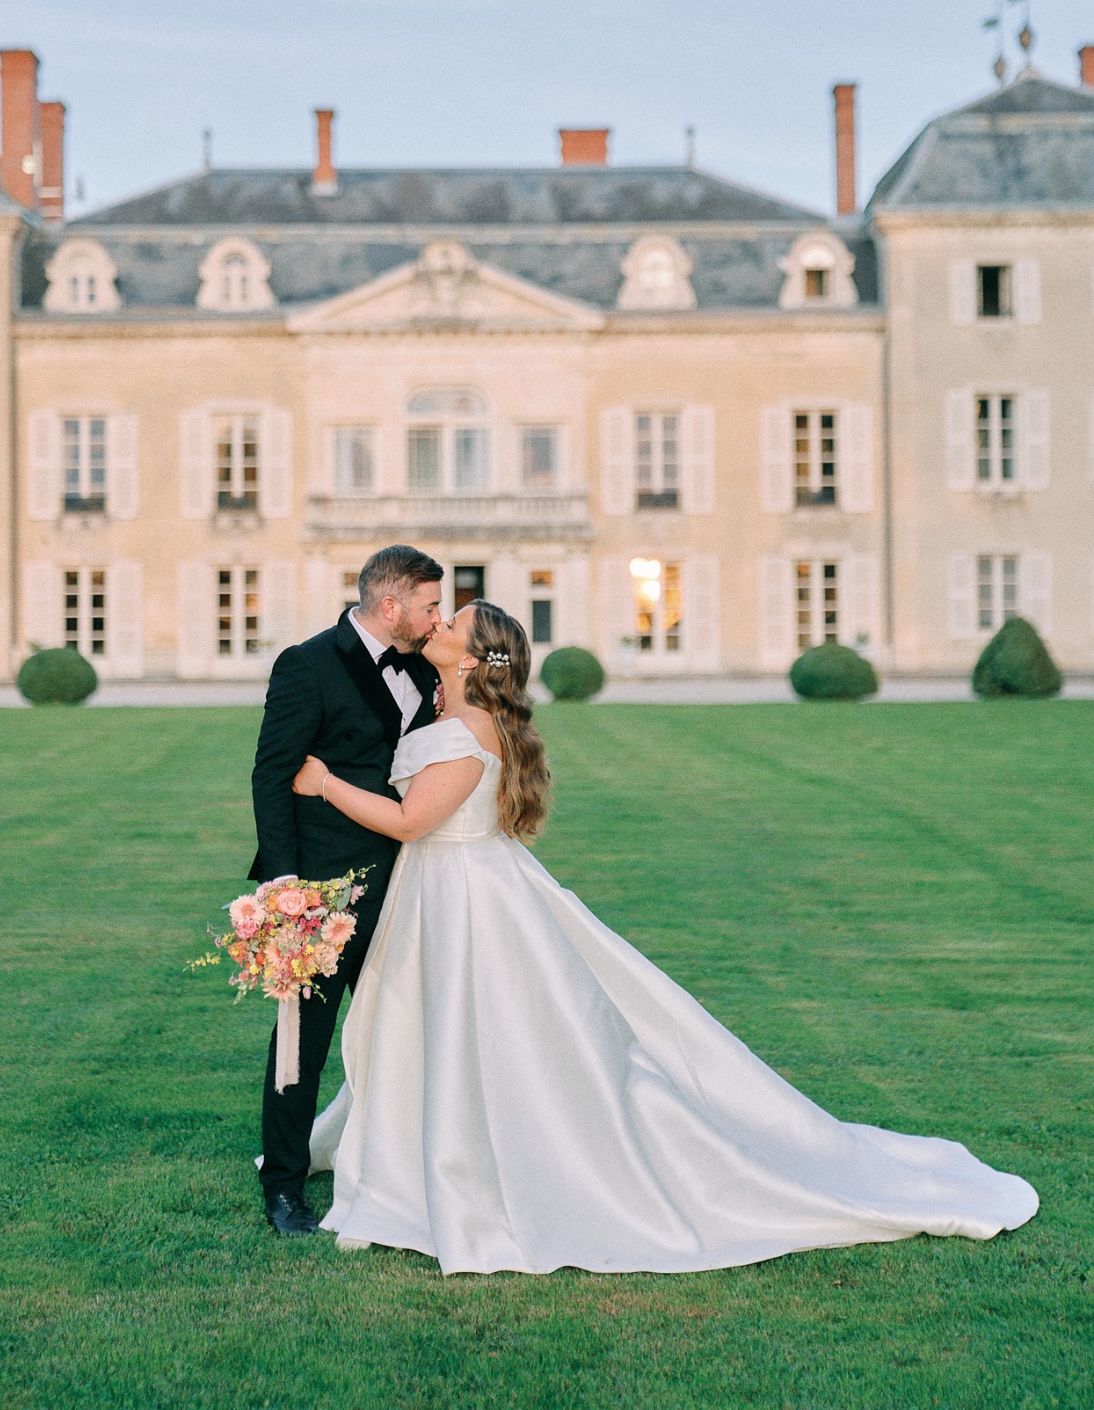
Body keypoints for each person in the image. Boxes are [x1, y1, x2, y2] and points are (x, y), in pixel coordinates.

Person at [292, 599, 1038, 1275]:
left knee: (482, 1032)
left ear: (473, 656)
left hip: (464, 897)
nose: (439, 627)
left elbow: (409, 821)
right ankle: (424, 1148)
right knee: (444, 1032)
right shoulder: (450, 712)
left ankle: (471, 1169)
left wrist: (324, 783)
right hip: (447, 891)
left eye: (452, 624)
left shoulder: (465, 732)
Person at [249, 544, 443, 1235]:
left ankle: (411, 1163)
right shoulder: (307, 665)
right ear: (390, 606)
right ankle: (282, 1185)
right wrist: (284, 892)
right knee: (301, 1040)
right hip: (321, 890)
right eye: (428, 607)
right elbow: (271, 778)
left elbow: (506, 666)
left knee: (407, 1030)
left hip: (409, 883)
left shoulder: (431, 660)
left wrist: (478, 644)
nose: (436, 619)